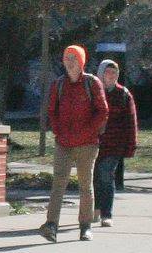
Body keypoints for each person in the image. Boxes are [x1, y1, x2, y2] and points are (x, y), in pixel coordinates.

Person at [41, 44, 108, 242]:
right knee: (58, 184)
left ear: (82, 62)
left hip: (87, 144)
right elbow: (51, 111)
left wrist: (88, 132)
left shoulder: (92, 83)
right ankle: (51, 225)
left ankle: (85, 226)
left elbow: (102, 111)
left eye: (74, 58)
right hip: (64, 143)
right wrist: (58, 130)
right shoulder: (58, 85)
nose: (70, 62)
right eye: (67, 58)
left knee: (85, 186)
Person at [93, 59, 138, 227]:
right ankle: (95, 208)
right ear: (101, 73)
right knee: (94, 177)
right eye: (108, 72)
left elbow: (131, 122)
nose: (111, 76)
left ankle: (106, 213)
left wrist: (131, 145)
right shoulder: (94, 91)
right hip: (93, 144)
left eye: (114, 73)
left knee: (106, 175)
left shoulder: (123, 94)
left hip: (114, 145)